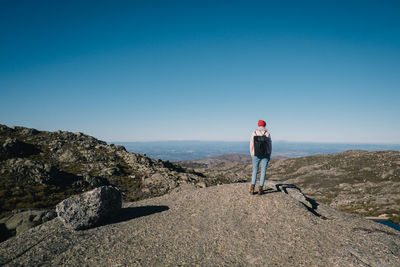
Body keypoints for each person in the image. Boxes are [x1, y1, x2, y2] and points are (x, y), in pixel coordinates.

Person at [249, 120, 272, 195]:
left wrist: (252, 154)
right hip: (265, 155)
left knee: (255, 171)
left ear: (258, 125)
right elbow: (269, 146)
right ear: (265, 125)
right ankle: (260, 189)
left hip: (255, 155)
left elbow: (251, 145)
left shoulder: (254, 133)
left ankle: (252, 188)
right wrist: (269, 154)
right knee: (263, 171)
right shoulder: (267, 133)